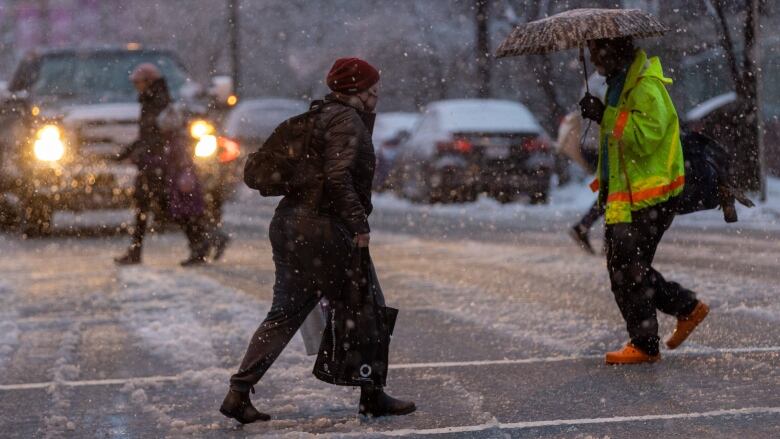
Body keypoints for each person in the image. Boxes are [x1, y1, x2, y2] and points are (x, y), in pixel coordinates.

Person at [220, 57, 415, 424]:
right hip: (324, 229)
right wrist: (359, 225)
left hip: (290, 224)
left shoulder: (317, 117)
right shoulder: (346, 122)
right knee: (367, 305)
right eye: (373, 89)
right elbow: (338, 177)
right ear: (359, 91)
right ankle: (371, 394)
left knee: (285, 314)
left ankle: (238, 393)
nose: (378, 95)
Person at [579, 37, 709, 365]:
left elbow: (643, 138)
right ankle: (683, 312)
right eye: (591, 50)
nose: (593, 56)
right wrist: (601, 114)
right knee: (629, 268)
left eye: (598, 50)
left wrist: (604, 116)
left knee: (627, 270)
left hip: (649, 198)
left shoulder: (644, 87)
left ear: (617, 51)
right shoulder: (619, 85)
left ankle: (647, 342)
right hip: (630, 197)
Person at [114, 63, 228, 266]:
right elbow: (148, 136)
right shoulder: (154, 101)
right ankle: (204, 240)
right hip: (156, 162)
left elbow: (155, 137)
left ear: (147, 82)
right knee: (154, 206)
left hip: (160, 164)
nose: (136, 87)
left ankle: (206, 240)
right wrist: (128, 153)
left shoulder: (156, 102)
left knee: (169, 207)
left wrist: (135, 154)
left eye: (137, 82)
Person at [559, 74, 607, 254]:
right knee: (612, 190)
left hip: (594, 143)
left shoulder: (594, 80)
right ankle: (596, 233)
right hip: (599, 145)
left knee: (609, 190)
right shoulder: (600, 81)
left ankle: (586, 228)